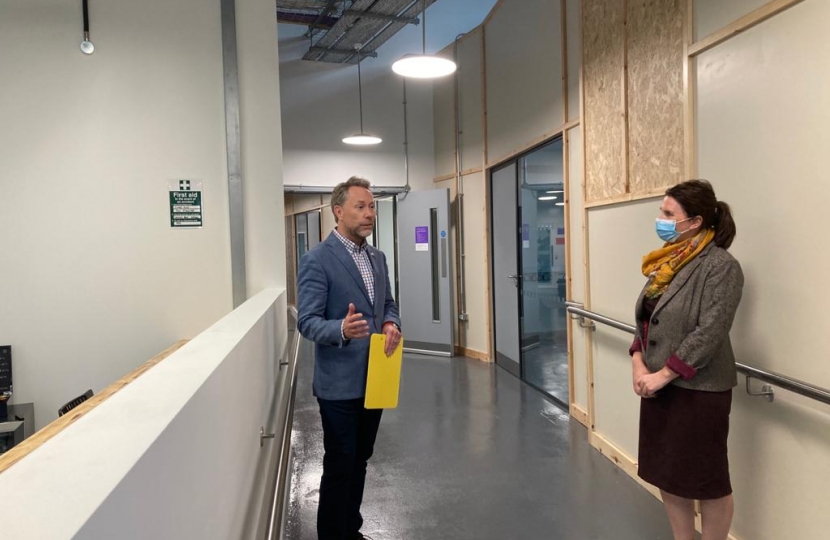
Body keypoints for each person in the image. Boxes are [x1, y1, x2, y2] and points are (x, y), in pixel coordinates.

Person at [628, 180, 744, 540]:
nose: (660, 218)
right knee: (668, 473)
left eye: (667, 213)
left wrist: (663, 374)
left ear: (694, 222)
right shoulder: (668, 260)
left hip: (698, 389)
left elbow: (710, 331)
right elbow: (649, 319)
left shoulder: (720, 266)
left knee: (707, 480)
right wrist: (638, 363)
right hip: (658, 387)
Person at [297, 176, 402, 540]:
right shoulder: (317, 260)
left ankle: (350, 529)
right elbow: (307, 322)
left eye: (372, 206)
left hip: (376, 378)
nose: (369, 213)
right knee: (340, 463)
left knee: (360, 459)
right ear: (338, 212)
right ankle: (332, 534)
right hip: (338, 385)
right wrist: (341, 330)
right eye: (361, 206)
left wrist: (390, 322)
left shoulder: (378, 257)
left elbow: (387, 304)